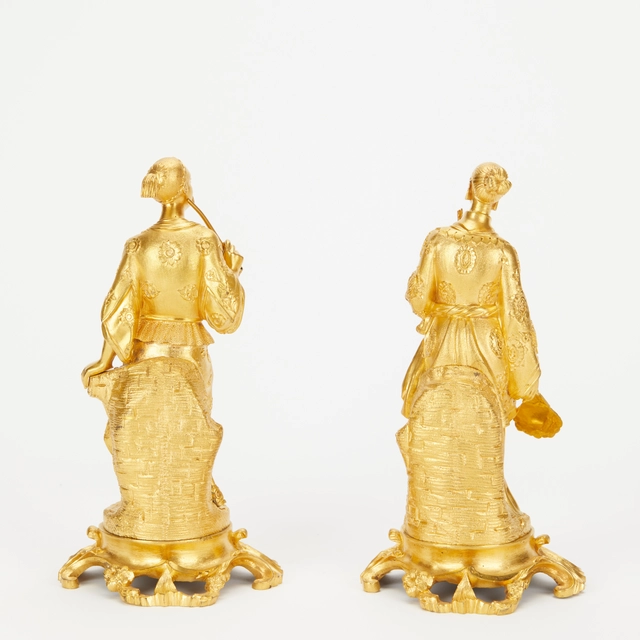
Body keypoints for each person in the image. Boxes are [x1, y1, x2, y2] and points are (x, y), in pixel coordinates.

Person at [82, 157, 245, 540]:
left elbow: (119, 307)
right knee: (192, 430)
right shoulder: (204, 240)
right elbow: (225, 315)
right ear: (185, 188)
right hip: (190, 354)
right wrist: (233, 271)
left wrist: (105, 361)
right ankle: (189, 511)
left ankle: (149, 513)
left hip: (144, 353)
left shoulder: (138, 245)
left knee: (143, 433)